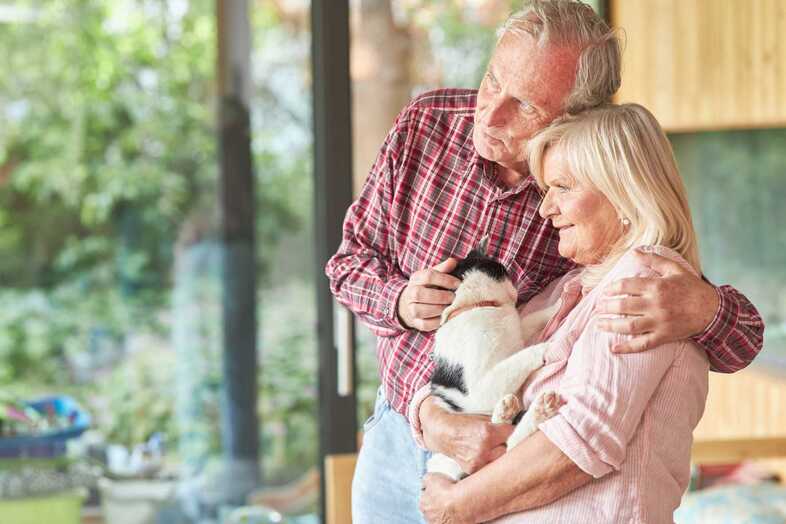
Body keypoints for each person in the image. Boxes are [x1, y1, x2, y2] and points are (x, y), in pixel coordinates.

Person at [324, 1, 764, 522]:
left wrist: (707, 309)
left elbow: (721, 327)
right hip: (400, 435)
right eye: (492, 82)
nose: (489, 115)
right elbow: (348, 262)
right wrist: (398, 306)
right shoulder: (427, 124)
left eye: (526, 106)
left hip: (503, 456)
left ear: (579, 116)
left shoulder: (589, 191)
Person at [419, 102, 715, 523]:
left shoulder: (647, 285)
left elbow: (579, 444)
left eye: (563, 187)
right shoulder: (568, 289)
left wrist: (454, 506)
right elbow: (472, 373)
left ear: (623, 190)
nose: (545, 209)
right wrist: (430, 415)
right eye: (546, 190)